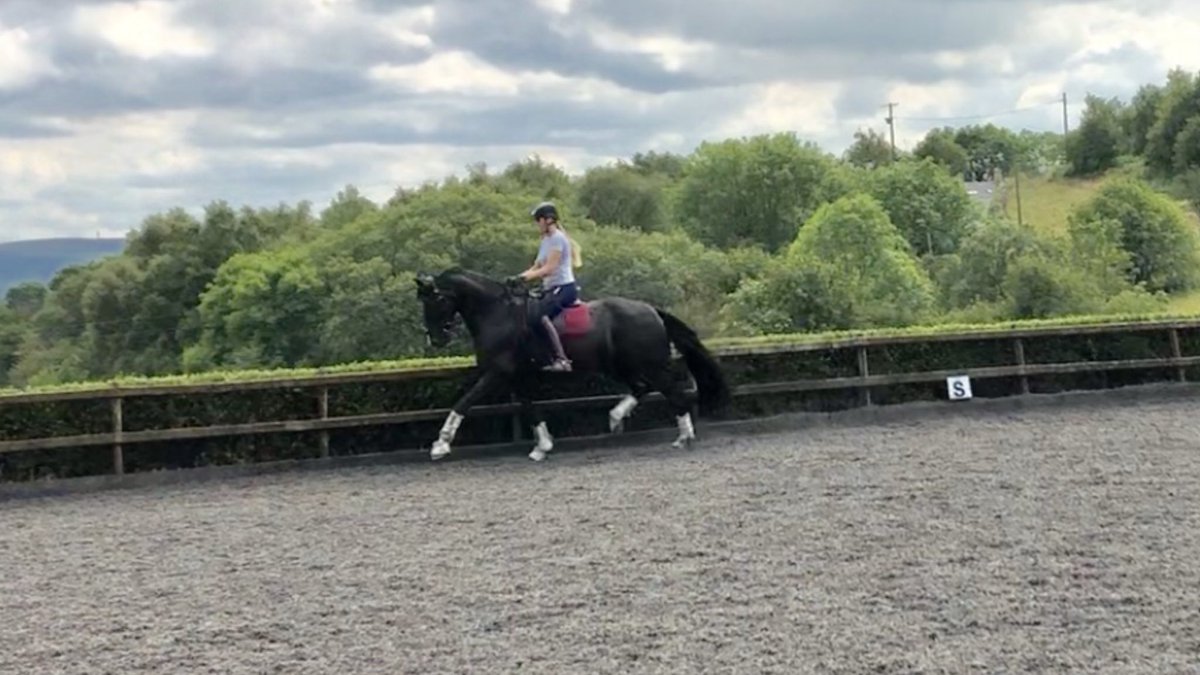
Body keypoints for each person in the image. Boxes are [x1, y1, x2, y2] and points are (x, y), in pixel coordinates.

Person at [515, 201, 581, 372]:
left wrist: (525, 277)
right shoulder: (546, 240)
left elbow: (549, 268)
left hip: (564, 288)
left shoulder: (558, 238)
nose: (537, 225)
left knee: (539, 316)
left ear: (547, 220)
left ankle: (562, 360)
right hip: (551, 288)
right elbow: (537, 266)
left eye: (538, 221)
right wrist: (518, 278)